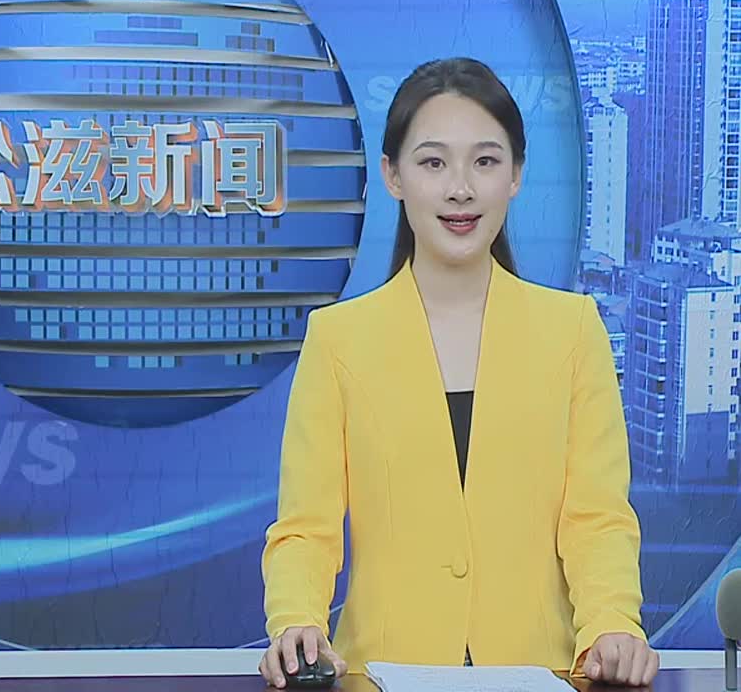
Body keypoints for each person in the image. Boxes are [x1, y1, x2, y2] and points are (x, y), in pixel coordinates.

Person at [258, 57, 659, 688]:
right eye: (433, 163)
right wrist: (296, 620)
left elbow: (597, 519)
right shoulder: (338, 341)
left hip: (541, 673)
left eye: (485, 161)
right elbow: (306, 529)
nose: (460, 189)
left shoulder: (573, 332)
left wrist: (612, 623)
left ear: (516, 175)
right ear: (393, 176)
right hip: (382, 675)